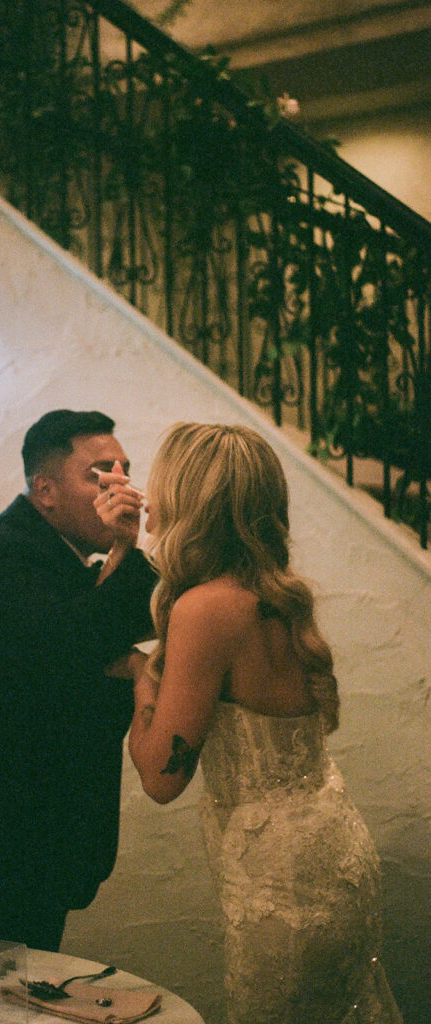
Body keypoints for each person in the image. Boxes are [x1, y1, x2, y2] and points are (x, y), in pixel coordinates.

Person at [120, 423, 403, 1024]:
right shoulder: (272, 596)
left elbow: (160, 777)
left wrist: (145, 677)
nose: (148, 497)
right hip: (334, 853)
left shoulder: (204, 607)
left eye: (159, 482)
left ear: (189, 500)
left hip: (282, 882)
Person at [0, 409, 155, 952]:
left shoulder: (56, 557)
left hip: (32, 845)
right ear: (45, 489)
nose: (120, 486)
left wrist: (124, 553)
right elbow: (71, 657)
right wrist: (125, 556)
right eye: (99, 473)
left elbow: (151, 607)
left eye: (124, 470)